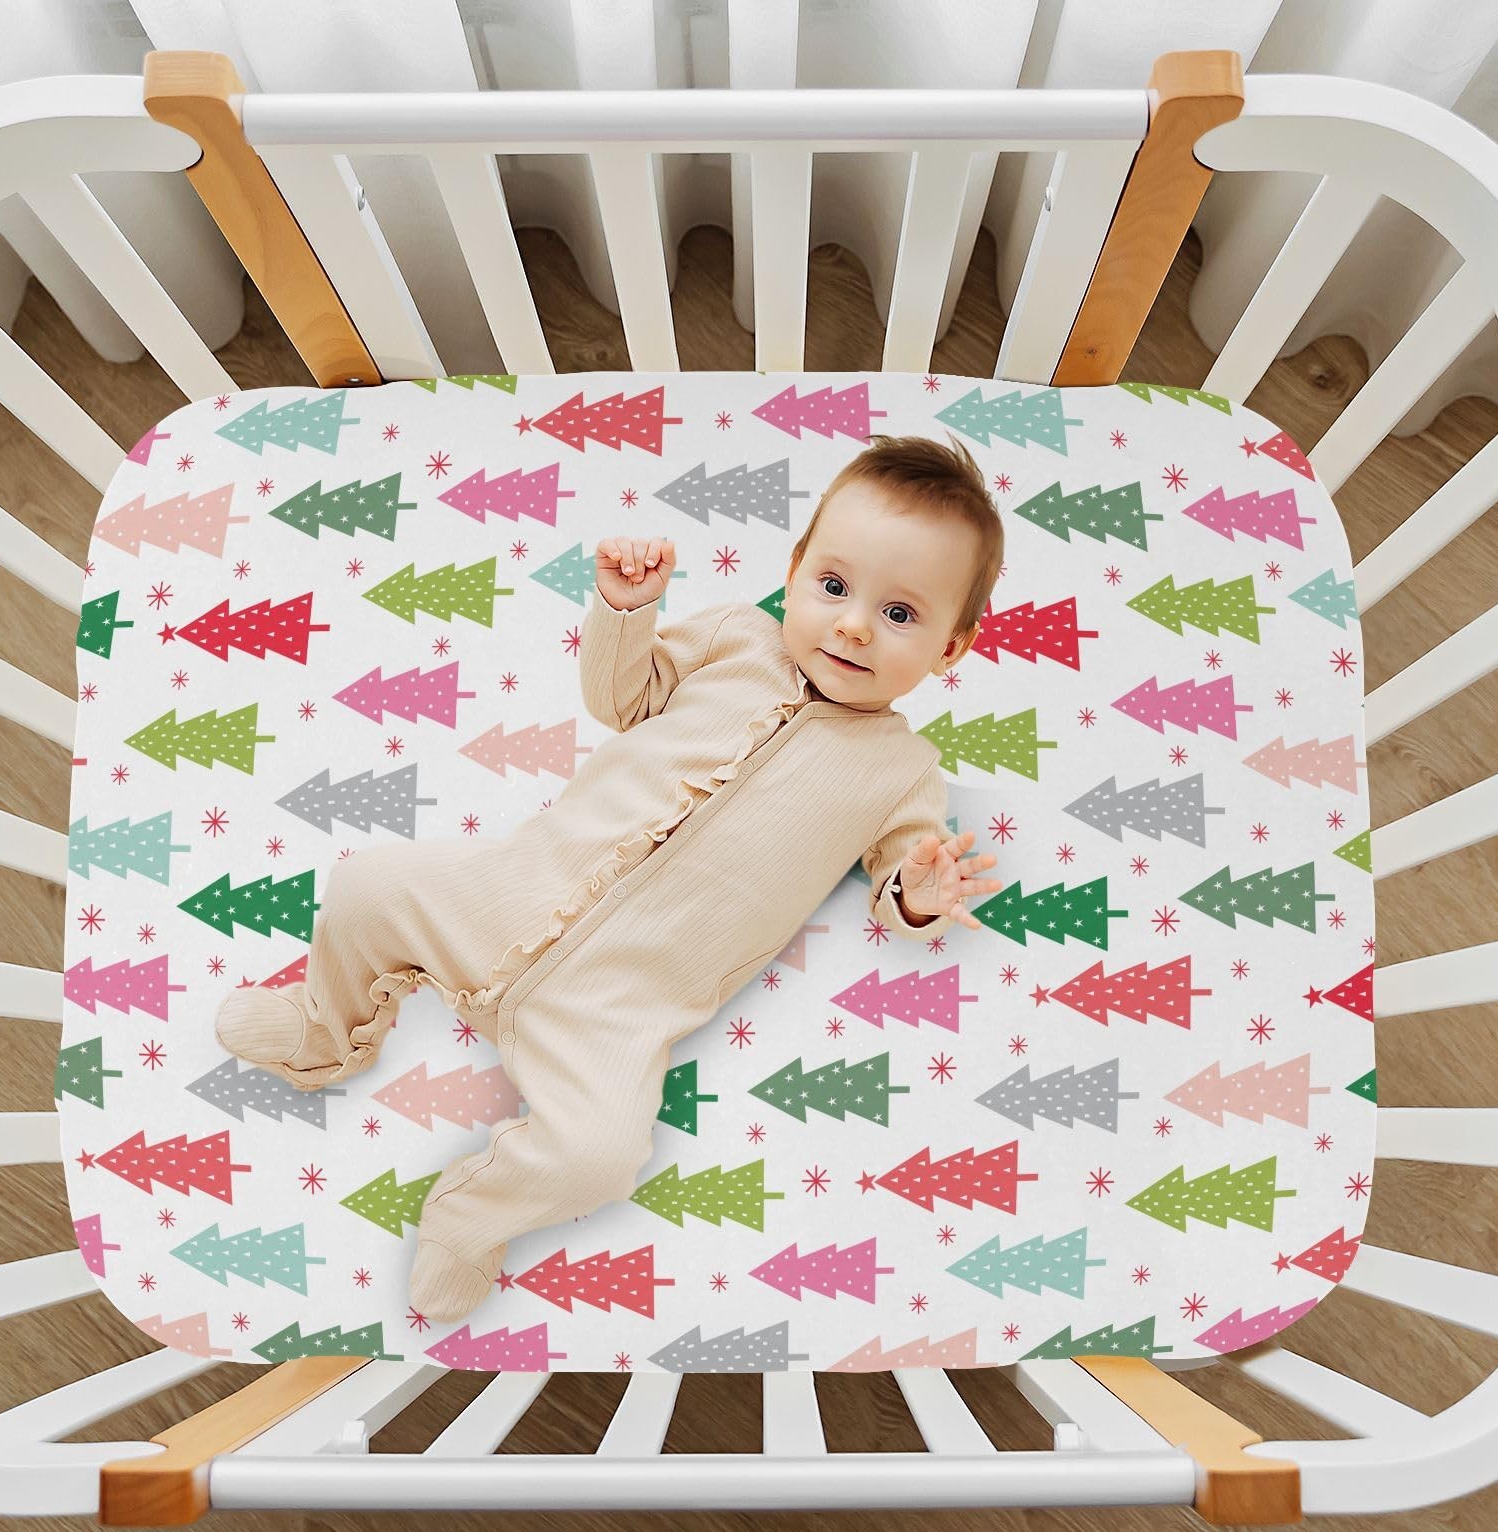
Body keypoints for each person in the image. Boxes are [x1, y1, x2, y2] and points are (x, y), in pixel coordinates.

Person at [214, 432, 1008, 1322]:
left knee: (601, 1157)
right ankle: (323, 1029)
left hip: (623, 1003)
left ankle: (469, 1219)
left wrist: (919, 894)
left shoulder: (900, 769)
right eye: (833, 586)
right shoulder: (735, 637)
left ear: (951, 648)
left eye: (899, 614)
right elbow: (623, 698)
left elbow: (901, 872)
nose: (854, 625)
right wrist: (625, 614)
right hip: (506, 889)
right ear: (793, 573)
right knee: (367, 885)